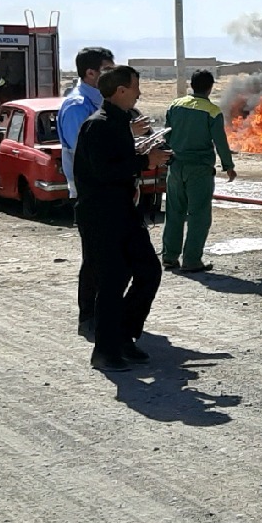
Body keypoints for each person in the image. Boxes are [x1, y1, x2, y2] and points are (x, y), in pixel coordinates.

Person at [74, 66, 170, 372]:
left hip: (124, 212)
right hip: (102, 215)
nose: (140, 93)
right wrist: (145, 161)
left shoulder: (118, 123)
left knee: (149, 271)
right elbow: (105, 171)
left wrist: (143, 149)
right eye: (136, 87)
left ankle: (124, 335)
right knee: (112, 282)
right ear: (121, 91)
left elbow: (118, 159)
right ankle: (104, 351)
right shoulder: (98, 125)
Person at [59, 47, 115, 338]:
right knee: (94, 258)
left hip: (111, 189)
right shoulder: (77, 106)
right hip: (90, 192)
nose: (113, 75)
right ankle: (88, 317)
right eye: (107, 70)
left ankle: (108, 315)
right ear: (90, 73)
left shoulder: (104, 101)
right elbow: (85, 152)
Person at [161, 69, 237, 273]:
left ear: (191, 85)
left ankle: (169, 257)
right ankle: (192, 260)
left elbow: (166, 135)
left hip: (175, 167)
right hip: (199, 170)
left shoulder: (175, 105)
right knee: (199, 215)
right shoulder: (212, 111)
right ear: (210, 87)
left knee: (174, 212)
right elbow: (220, 141)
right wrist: (228, 166)